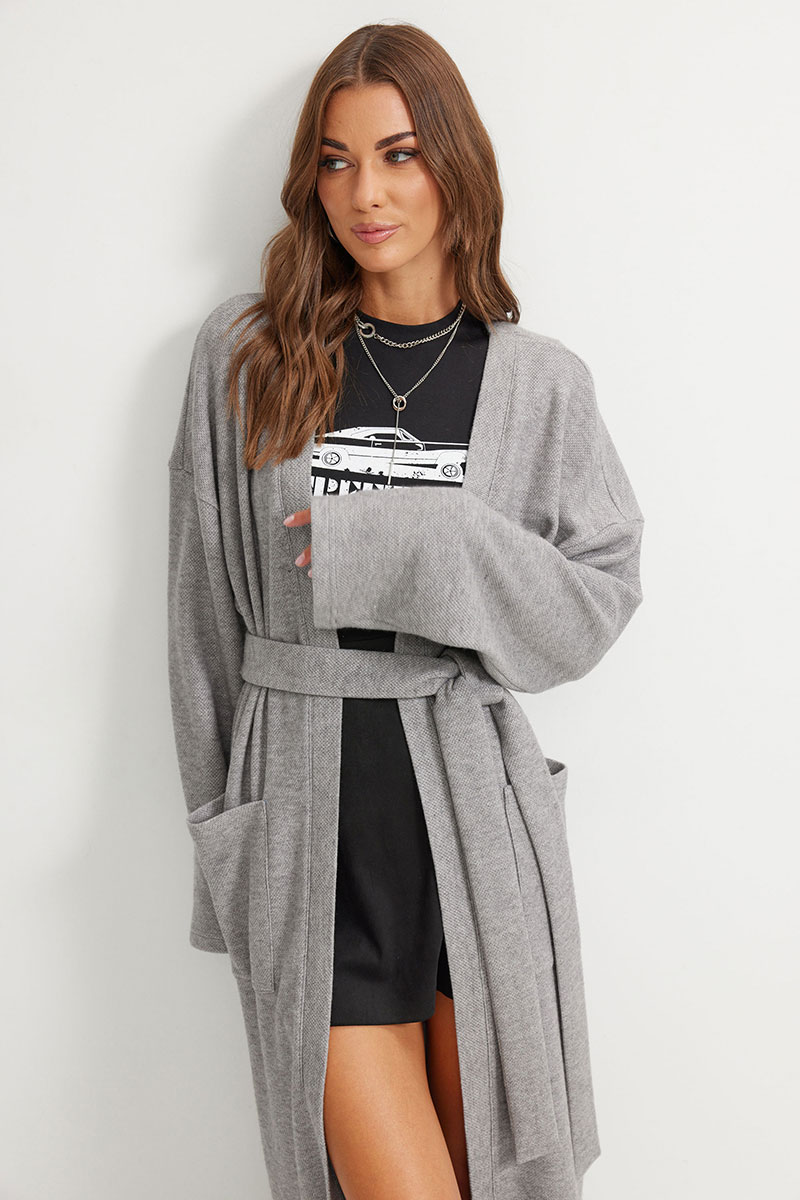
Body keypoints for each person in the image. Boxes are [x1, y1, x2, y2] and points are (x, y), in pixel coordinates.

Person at [167, 21, 645, 1200]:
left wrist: (423, 534)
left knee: (500, 1183)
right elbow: (200, 626)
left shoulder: (539, 382)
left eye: (397, 154)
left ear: (453, 163)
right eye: (334, 162)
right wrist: (226, 840)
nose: (364, 194)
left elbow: (589, 607)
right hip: (308, 830)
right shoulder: (247, 355)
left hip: (473, 827)